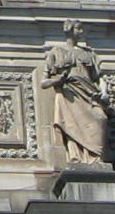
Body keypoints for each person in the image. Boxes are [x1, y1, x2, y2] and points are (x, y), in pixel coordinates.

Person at [39, 19, 109, 165]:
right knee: (72, 125)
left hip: (90, 94)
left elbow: (100, 77)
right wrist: (58, 80)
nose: (81, 32)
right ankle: (77, 157)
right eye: (78, 28)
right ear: (69, 30)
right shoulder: (56, 53)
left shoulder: (89, 53)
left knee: (101, 119)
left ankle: (96, 157)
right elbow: (43, 82)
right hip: (69, 95)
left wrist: (104, 92)